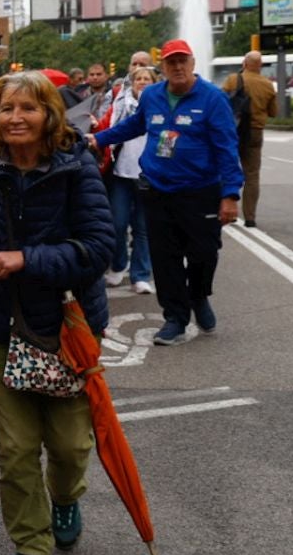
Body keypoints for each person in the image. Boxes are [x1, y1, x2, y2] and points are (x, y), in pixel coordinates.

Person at [0, 71, 114, 555]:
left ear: (49, 113)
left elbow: (100, 250)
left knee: (72, 447)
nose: (15, 119)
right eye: (7, 108)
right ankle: (31, 548)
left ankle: (66, 497)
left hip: (65, 330)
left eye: (28, 108)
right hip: (0, 328)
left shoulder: (77, 169)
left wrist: (27, 259)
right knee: (15, 450)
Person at [89, 39, 242, 346]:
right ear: (163, 68)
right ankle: (175, 317)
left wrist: (230, 195)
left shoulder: (212, 99)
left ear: (192, 63)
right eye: (171, 62)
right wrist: (99, 139)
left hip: (201, 192)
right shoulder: (153, 96)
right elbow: (134, 125)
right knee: (165, 257)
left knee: (204, 254)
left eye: (182, 60)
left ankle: (198, 297)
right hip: (158, 189)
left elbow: (227, 147)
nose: (177, 67)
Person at [102, 62, 155, 295]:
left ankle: (141, 275)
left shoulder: (159, 105)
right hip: (121, 173)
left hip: (147, 175)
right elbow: (112, 129)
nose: (142, 82)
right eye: (138, 79)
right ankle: (118, 265)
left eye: (147, 79)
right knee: (117, 223)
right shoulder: (120, 103)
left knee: (143, 228)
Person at [220, 51, 279, 227]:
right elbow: (274, 112)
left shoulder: (232, 80)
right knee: (252, 175)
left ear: (244, 63)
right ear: (260, 66)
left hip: (233, 130)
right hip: (255, 133)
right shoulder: (268, 85)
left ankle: (224, 208)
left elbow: (220, 103)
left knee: (226, 168)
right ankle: (250, 217)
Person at [65, 62, 114, 135]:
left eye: (99, 74)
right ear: (87, 77)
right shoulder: (78, 95)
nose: (95, 77)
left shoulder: (114, 94)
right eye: (92, 74)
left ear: (106, 76)